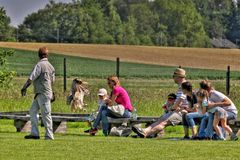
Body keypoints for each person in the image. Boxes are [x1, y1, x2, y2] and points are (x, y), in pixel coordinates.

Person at [132, 68, 188, 138]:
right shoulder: (182, 86)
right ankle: (144, 131)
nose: (173, 78)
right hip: (177, 111)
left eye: (174, 76)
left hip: (181, 113)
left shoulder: (183, 86)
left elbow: (179, 103)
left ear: (178, 77)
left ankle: (145, 132)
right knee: (160, 120)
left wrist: (171, 108)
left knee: (163, 122)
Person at [21, 47, 55, 140]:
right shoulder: (51, 66)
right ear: (47, 55)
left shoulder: (39, 65)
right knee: (33, 111)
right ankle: (35, 133)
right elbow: (51, 82)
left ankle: (49, 135)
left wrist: (24, 88)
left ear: (39, 55)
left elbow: (31, 78)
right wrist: (53, 93)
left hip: (42, 93)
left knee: (46, 114)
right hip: (43, 93)